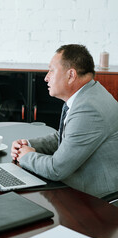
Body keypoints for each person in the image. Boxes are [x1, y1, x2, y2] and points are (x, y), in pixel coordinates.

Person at [11, 44, 118, 198]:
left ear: (71, 75)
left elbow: (56, 169)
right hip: (80, 181)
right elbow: (65, 137)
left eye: (51, 70)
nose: (46, 77)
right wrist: (29, 145)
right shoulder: (88, 94)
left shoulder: (88, 109)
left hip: (97, 199)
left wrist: (26, 156)